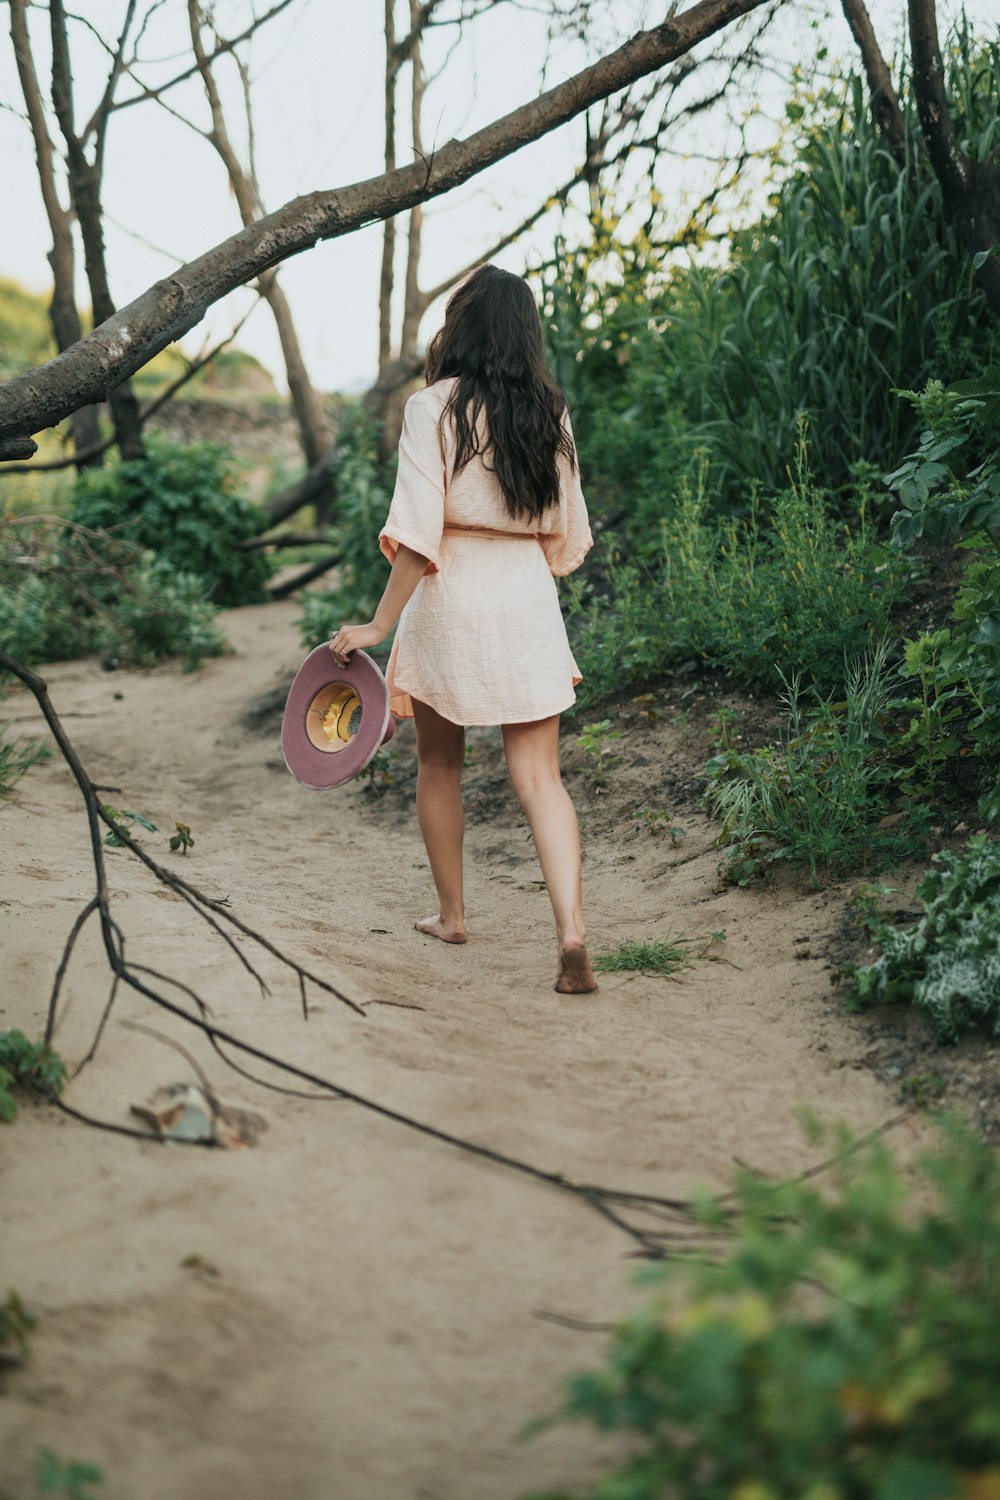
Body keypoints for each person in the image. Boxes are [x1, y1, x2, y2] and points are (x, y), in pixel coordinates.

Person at [329, 265, 597, 995]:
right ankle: (570, 931)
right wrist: (522, 561)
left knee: (440, 766)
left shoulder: (433, 407)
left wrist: (380, 623)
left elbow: (417, 531)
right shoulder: (551, 411)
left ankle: (452, 916)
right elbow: (567, 532)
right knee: (540, 777)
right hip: (525, 593)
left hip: (450, 592)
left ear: (463, 324)